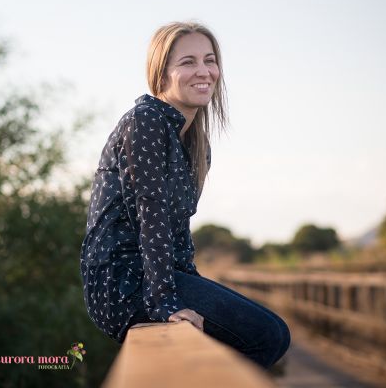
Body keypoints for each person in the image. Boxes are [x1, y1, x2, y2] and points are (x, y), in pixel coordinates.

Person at [79, 21, 290, 369]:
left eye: (210, 60)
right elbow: (152, 216)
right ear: (161, 74)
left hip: (157, 275)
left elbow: (179, 229)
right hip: (123, 281)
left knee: (273, 335)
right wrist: (167, 303)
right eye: (188, 62)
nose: (204, 71)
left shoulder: (195, 142)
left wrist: (192, 283)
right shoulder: (145, 120)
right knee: (267, 335)